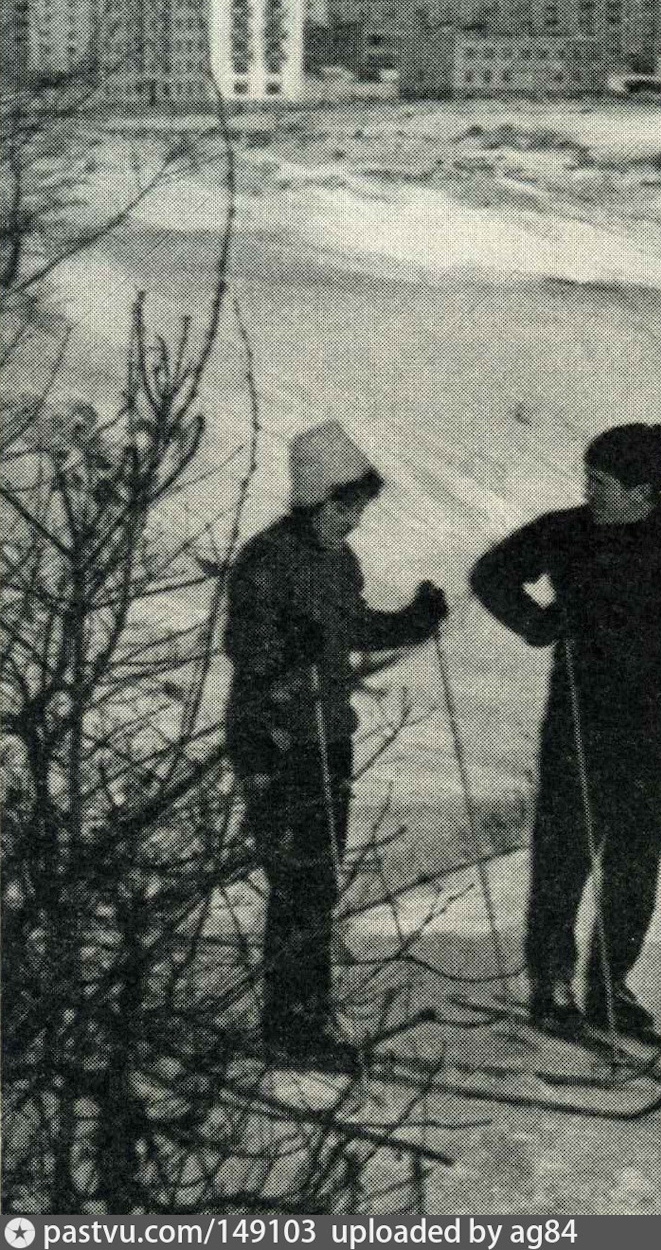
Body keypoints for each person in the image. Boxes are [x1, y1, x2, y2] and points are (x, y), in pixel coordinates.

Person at [470, 423, 661, 1037]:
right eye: (589, 479)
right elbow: (491, 574)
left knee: (634, 858)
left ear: (639, 489)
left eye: (601, 482)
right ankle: (551, 982)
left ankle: (608, 985)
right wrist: (538, 624)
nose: (589, 491)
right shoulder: (564, 532)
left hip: (657, 717)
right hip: (581, 715)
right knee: (564, 852)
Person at [224, 421, 448, 1071]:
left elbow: (354, 627)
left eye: (358, 511)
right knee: (297, 880)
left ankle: (302, 1017)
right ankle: (291, 1026)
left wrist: (413, 619)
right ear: (316, 499)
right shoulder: (266, 561)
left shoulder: (337, 562)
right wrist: (282, 648)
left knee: (317, 885)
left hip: (328, 742)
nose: (352, 522)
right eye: (345, 508)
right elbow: (245, 647)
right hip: (275, 741)